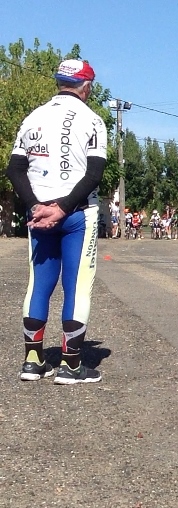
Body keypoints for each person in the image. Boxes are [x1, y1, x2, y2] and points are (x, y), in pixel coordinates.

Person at [5, 59, 107, 384]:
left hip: (39, 215)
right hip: (76, 214)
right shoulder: (93, 120)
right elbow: (94, 173)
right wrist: (63, 208)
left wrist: (36, 206)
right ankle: (71, 365)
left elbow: (14, 169)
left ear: (59, 82)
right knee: (76, 287)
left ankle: (32, 362)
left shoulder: (33, 117)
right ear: (86, 87)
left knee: (39, 283)